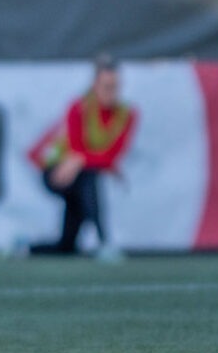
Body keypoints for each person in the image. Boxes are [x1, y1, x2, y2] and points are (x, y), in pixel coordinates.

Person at [26, 55, 137, 258]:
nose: (111, 92)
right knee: (89, 177)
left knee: (67, 245)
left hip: (79, 176)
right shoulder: (79, 108)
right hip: (56, 171)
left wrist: (81, 160)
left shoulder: (127, 114)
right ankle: (104, 241)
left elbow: (112, 156)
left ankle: (25, 246)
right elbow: (76, 148)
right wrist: (86, 160)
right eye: (106, 86)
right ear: (95, 85)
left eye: (115, 87)